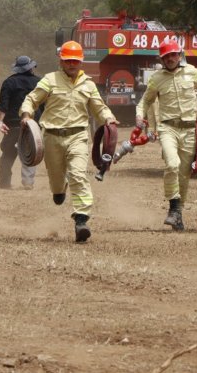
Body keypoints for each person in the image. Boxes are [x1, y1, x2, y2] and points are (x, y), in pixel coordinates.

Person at [19, 41, 117, 243]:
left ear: (81, 62)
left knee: (77, 174)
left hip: (78, 136)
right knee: (56, 182)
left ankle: (81, 220)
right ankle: (58, 190)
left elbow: (99, 107)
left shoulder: (88, 85)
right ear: (61, 61)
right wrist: (27, 115)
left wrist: (109, 119)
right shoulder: (50, 80)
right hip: (52, 136)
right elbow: (32, 99)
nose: (72, 64)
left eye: (75, 60)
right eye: (68, 60)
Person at [135, 36, 197, 232]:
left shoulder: (193, 73)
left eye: (173, 54)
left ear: (179, 55)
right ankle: (173, 208)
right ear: (161, 58)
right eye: (166, 56)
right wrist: (139, 116)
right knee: (172, 164)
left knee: (184, 175)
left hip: (190, 130)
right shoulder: (156, 79)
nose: (170, 58)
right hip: (167, 128)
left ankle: (178, 214)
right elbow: (145, 101)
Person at [0, 56, 42, 190]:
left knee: (7, 154)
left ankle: (4, 183)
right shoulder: (39, 82)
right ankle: (28, 182)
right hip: (33, 126)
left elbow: (3, 105)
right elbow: (45, 105)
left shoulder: (9, 82)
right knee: (30, 153)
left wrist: (0, 122)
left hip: (13, 125)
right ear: (31, 67)